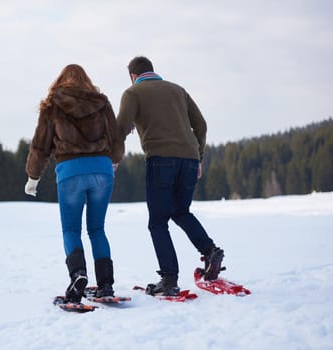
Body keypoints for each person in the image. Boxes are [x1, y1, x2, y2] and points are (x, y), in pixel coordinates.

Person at [116, 56, 224, 296]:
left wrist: (113, 156)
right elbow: (201, 125)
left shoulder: (133, 93)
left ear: (133, 76)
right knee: (180, 211)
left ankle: (169, 278)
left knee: (157, 221)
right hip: (189, 159)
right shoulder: (178, 90)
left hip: (160, 159)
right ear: (152, 71)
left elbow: (120, 127)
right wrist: (199, 157)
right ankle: (210, 251)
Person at [24, 64, 124, 303]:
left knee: (71, 230)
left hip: (70, 172)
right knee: (97, 229)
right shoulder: (101, 103)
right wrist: (114, 161)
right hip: (101, 170)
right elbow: (116, 140)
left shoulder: (52, 105)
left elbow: (41, 145)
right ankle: (106, 285)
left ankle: (78, 274)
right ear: (87, 81)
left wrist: (33, 177)